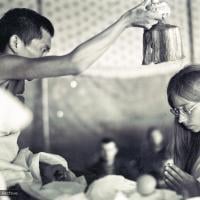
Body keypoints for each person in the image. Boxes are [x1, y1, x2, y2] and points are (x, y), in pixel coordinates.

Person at [0, 0, 170, 198]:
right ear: (15, 43)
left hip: (8, 174)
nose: (45, 58)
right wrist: (126, 21)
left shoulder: (13, 84)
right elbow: (74, 64)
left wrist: (43, 167)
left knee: (86, 183)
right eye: (43, 49)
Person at [164, 65, 200, 198]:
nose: (180, 120)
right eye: (177, 111)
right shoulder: (193, 142)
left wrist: (196, 192)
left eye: (185, 109)